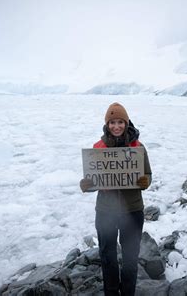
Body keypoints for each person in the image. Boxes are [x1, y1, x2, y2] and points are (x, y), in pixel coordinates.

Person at [80, 102, 152, 296]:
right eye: (112, 122)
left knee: (130, 258)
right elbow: (93, 178)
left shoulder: (138, 148)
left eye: (120, 122)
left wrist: (144, 181)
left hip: (132, 210)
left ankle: (128, 293)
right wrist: (87, 185)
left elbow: (148, 175)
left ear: (126, 123)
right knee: (107, 257)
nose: (117, 126)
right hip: (106, 211)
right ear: (107, 124)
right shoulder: (98, 148)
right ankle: (111, 293)